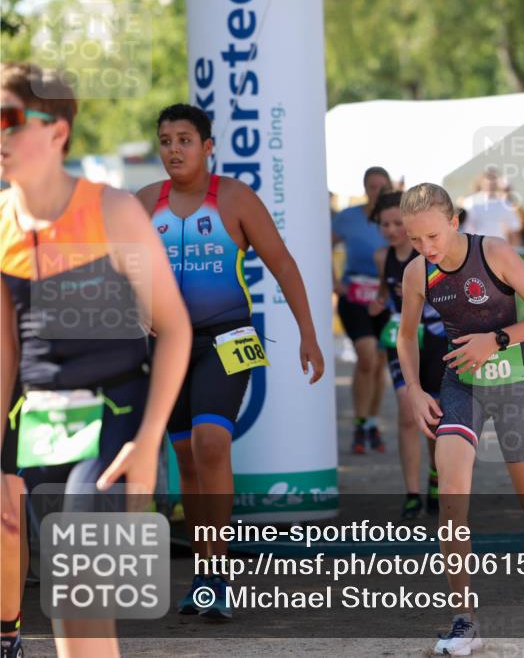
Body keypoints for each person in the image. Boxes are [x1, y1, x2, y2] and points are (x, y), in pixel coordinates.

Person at [1, 62, 191, 658]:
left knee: (79, 600)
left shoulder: (112, 211)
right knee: (70, 622)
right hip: (39, 422)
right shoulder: (2, 221)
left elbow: (176, 329)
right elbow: (6, 350)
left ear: (56, 130)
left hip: (117, 417)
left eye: (8, 120)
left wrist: (148, 442)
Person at [397, 183, 524, 656]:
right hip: (459, 384)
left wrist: (497, 339)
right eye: (415, 241)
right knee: (451, 495)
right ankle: (464, 619)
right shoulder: (417, 274)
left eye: (432, 236)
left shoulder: (493, 253)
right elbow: (406, 337)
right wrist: (413, 389)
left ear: (454, 222)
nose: (426, 249)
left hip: (513, 379)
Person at [138, 103, 325, 619]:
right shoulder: (143, 202)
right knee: (187, 461)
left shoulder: (235, 199)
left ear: (207, 146)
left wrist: (309, 333)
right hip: (168, 346)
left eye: (184, 140)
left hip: (228, 336)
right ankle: (202, 572)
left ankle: (220, 575)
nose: (173, 149)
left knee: (211, 441)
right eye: (165, 140)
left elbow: (282, 262)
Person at [369, 191, 445, 519]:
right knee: (405, 410)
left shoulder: (432, 255)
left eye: (398, 223)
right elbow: (384, 294)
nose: (391, 230)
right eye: (385, 224)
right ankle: (412, 492)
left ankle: (436, 477)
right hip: (401, 340)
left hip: (437, 341)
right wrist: (380, 303)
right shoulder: (381, 257)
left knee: (434, 416)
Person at [331, 167, 392, 453]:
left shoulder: (397, 216)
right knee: (366, 357)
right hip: (355, 295)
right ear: (365, 187)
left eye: (382, 186)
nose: (376, 191)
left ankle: (371, 421)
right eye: (372, 186)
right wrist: (334, 282)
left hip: (388, 299)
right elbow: (324, 245)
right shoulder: (348, 217)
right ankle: (359, 420)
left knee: (380, 363)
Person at [461, 169, 522, 244]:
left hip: (498, 247)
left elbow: (514, 229)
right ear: (481, 182)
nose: (490, 183)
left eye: (494, 179)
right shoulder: (470, 202)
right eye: (488, 180)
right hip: (477, 247)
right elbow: (465, 228)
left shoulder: (506, 203)